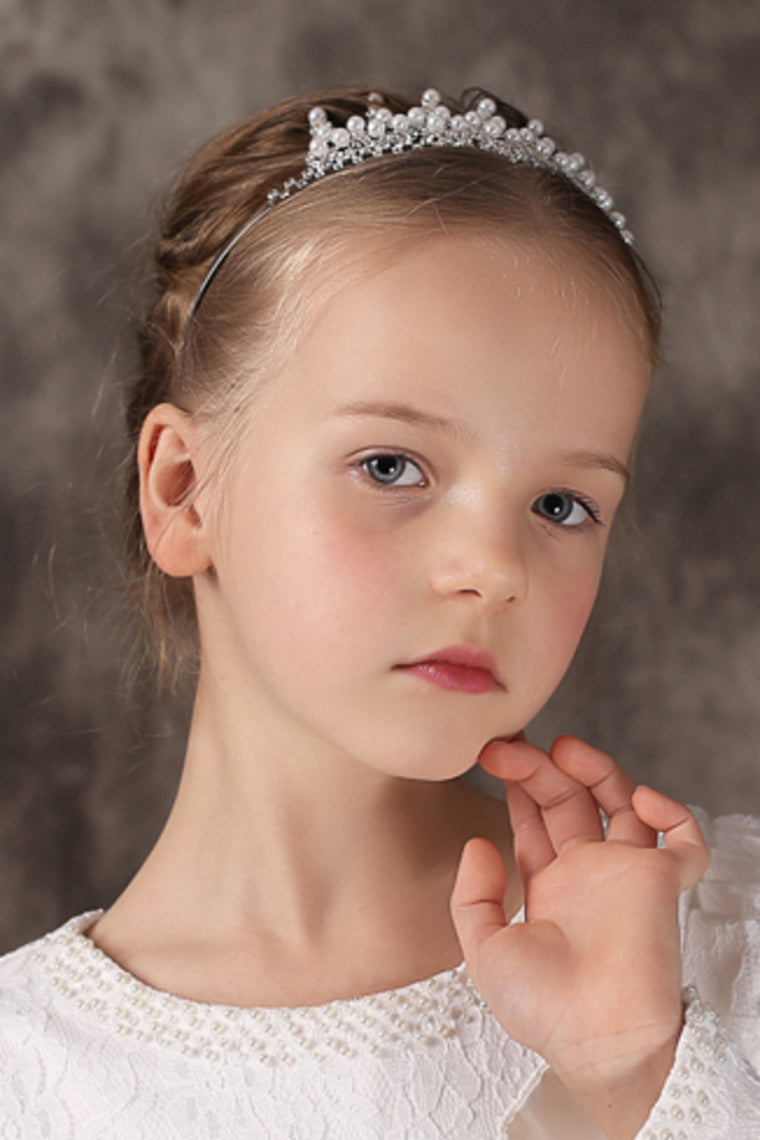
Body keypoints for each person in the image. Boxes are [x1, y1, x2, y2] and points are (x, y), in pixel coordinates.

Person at [0, 85, 758, 1139]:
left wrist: (633, 1075)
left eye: (561, 503)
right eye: (390, 465)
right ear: (183, 490)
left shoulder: (722, 934)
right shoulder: (26, 1078)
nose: (492, 568)